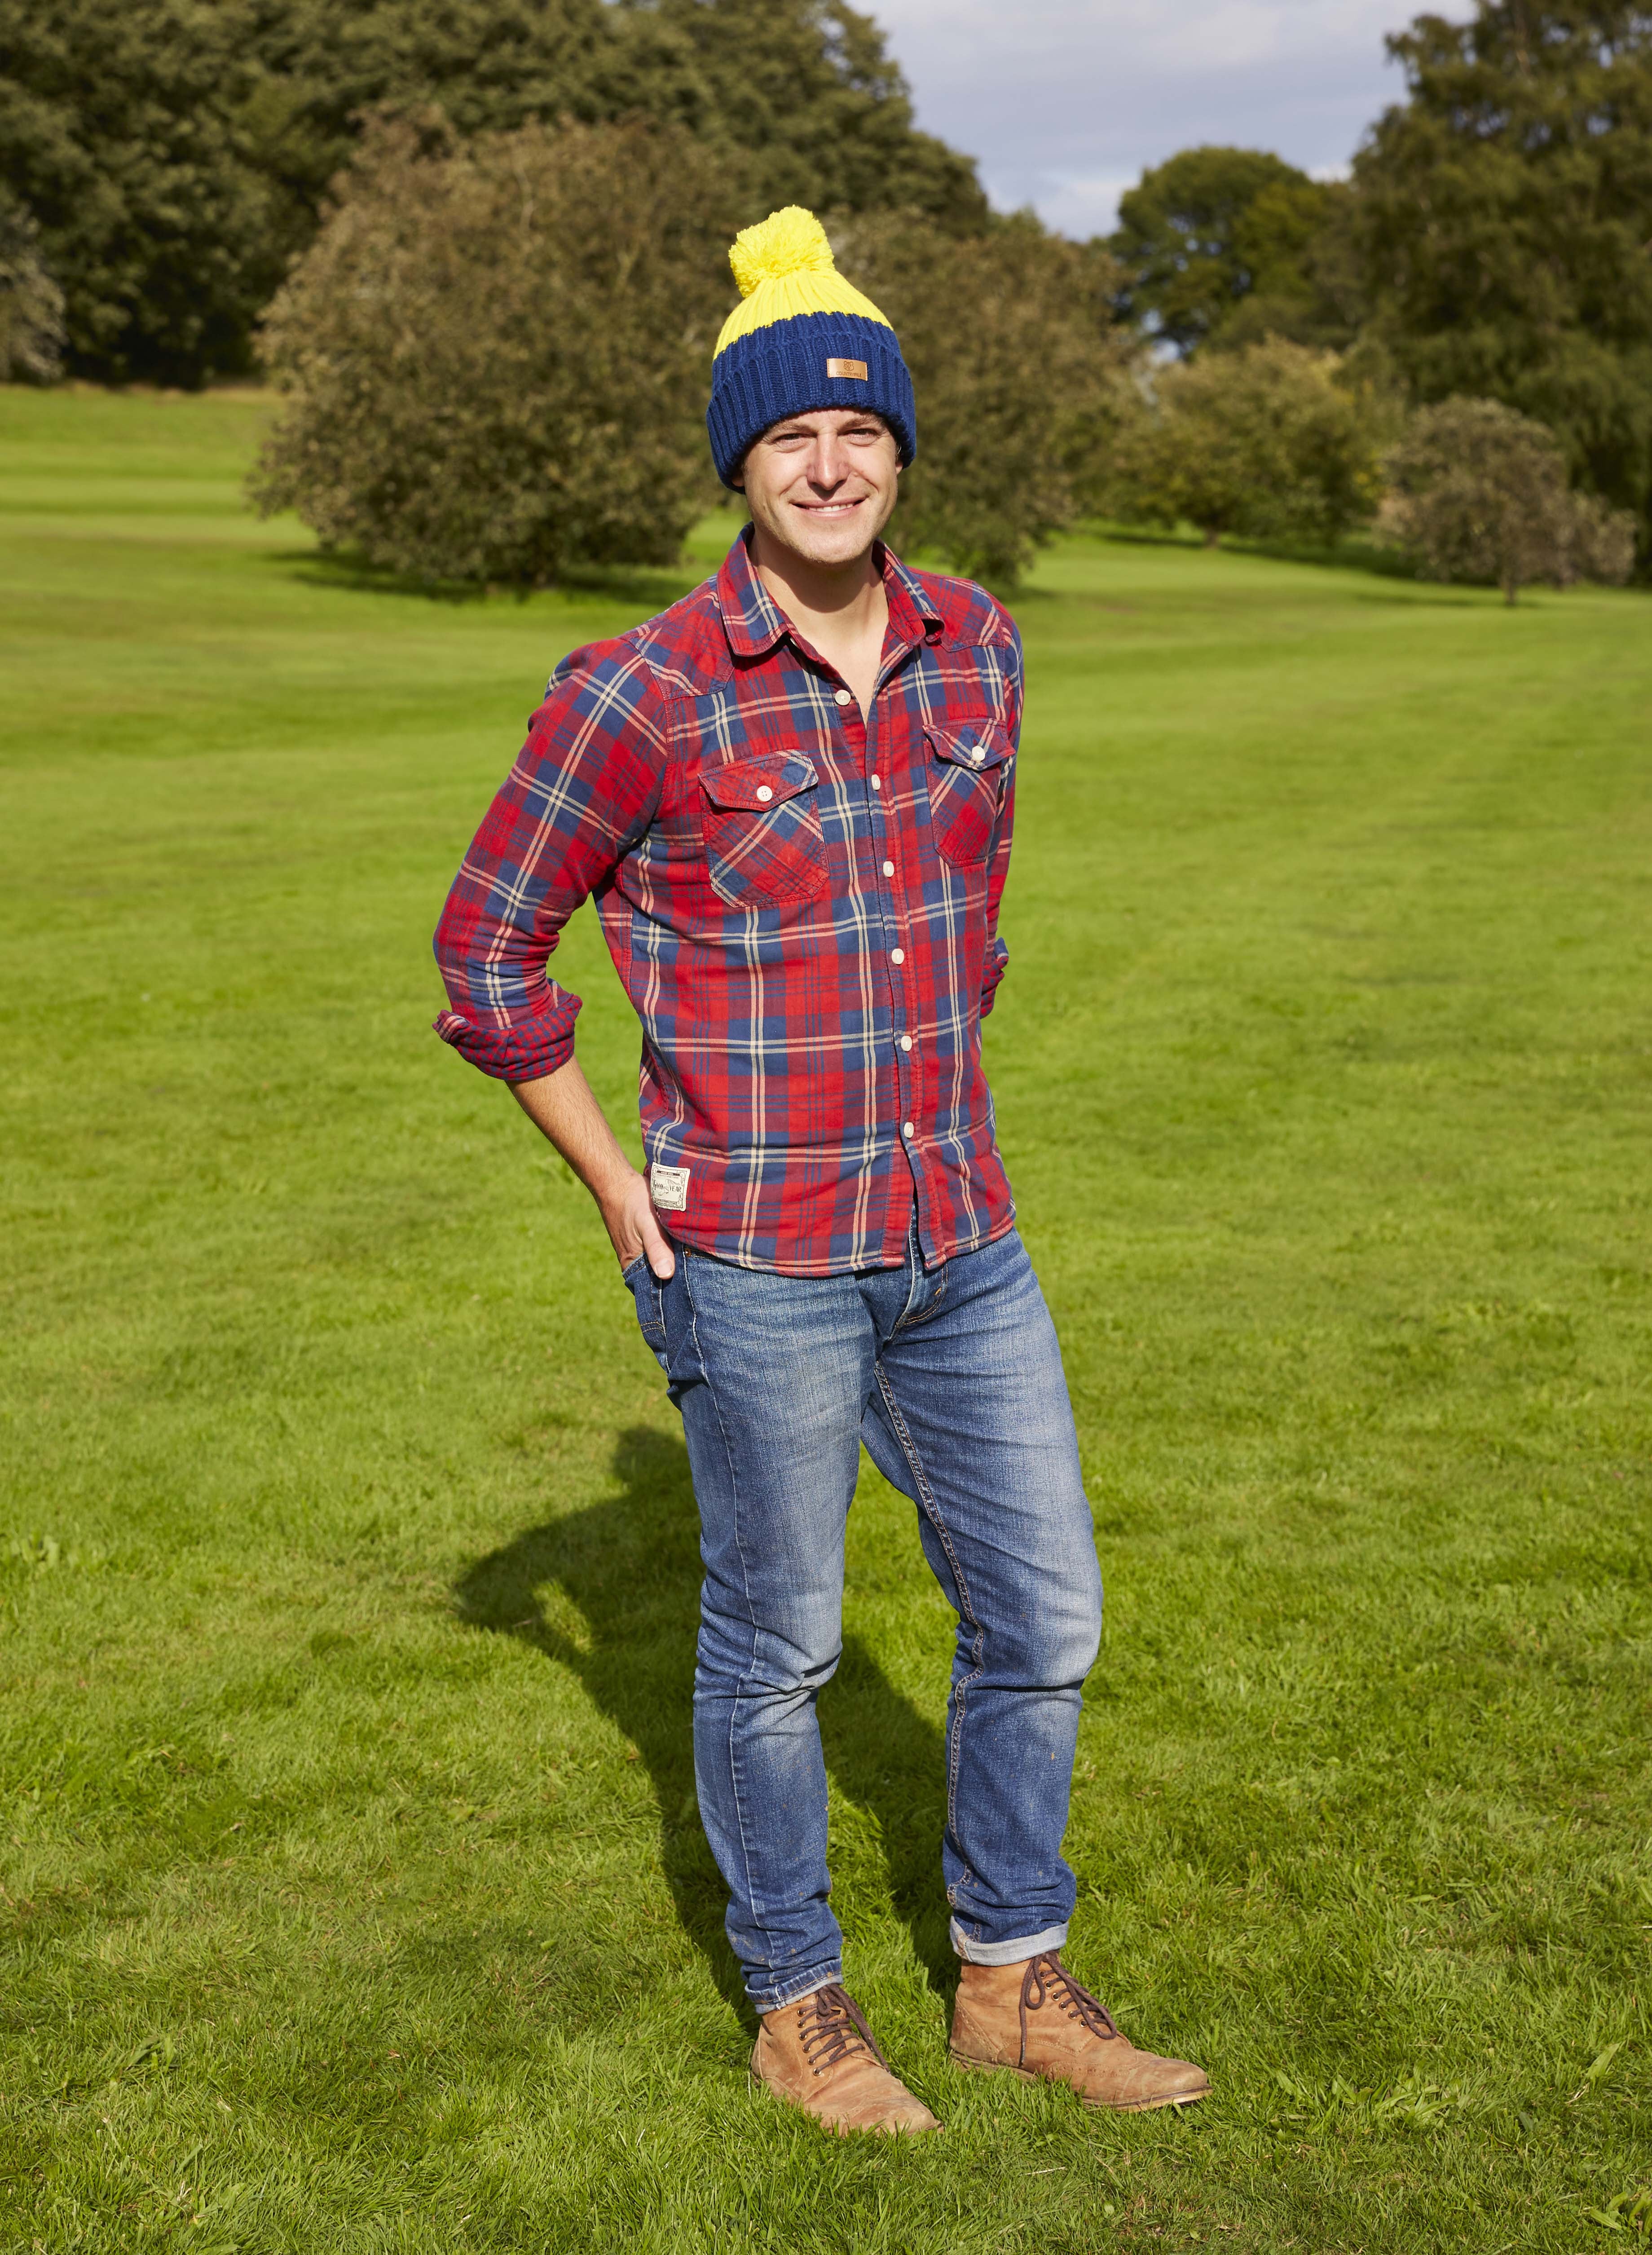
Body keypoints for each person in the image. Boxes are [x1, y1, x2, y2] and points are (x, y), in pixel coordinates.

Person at [432, 206, 1210, 2134]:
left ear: (898, 451)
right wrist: (619, 1180)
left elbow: (970, 918)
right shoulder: (641, 690)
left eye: (859, 430)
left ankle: (1011, 1980)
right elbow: (483, 949)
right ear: (739, 461)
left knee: (1044, 1617)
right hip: (754, 1258)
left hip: (960, 1240)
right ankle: (798, 2002)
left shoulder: (981, 652)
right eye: (789, 437)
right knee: (774, 1647)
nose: (830, 461)